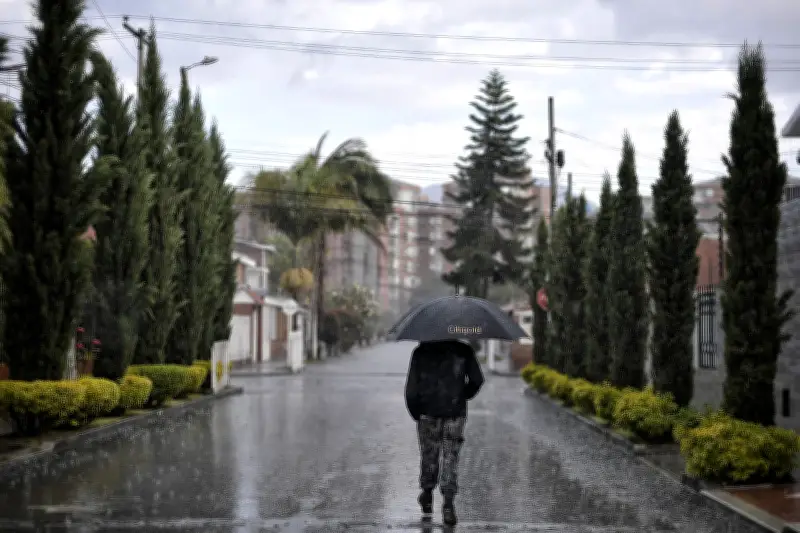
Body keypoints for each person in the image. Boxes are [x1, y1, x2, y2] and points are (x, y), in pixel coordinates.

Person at [404, 339, 485, 526]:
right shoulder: (463, 350)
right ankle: (448, 504)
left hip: (427, 412)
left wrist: (416, 412)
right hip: (455, 413)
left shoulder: (421, 351)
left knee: (429, 454)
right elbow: (477, 380)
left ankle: (427, 492)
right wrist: (462, 395)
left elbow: (411, 390)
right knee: (451, 456)